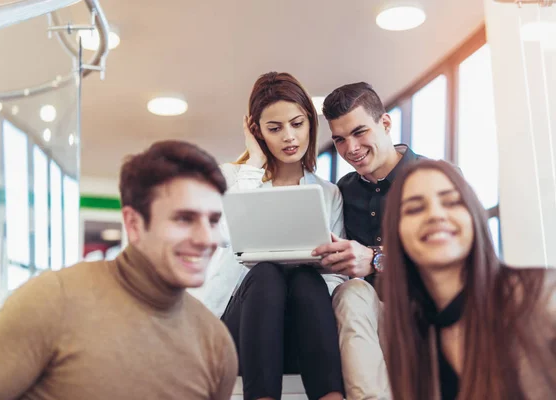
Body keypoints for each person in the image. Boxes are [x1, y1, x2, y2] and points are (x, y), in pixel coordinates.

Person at [0, 141, 238, 400]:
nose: (206, 239)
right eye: (184, 219)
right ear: (134, 224)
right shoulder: (54, 299)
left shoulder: (215, 342)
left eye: (213, 221)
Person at [198, 72, 346, 400]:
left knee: (308, 279)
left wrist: (315, 265)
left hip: (303, 327)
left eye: (297, 124)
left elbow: (336, 280)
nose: (289, 137)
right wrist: (254, 162)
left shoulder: (329, 194)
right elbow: (221, 233)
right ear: (257, 131)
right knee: (266, 273)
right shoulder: (234, 176)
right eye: (274, 128)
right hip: (244, 328)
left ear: (310, 121)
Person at [380, 159, 556, 400]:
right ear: (396, 232)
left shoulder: (543, 296)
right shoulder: (412, 335)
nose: (435, 215)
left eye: (452, 202)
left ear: (474, 216)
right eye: (414, 209)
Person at [311, 82, 426, 399]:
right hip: (370, 325)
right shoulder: (341, 191)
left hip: (427, 318)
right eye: (339, 139)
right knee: (352, 292)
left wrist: (376, 259)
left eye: (360, 132)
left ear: (385, 124)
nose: (351, 148)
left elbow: (458, 259)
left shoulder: (434, 177)